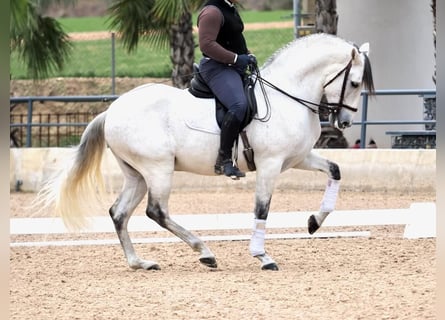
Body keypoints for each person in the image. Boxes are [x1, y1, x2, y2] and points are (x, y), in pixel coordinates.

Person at [197, 0, 257, 179]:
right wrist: (237, 58)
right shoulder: (212, 12)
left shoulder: (229, 8)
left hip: (232, 66)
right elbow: (207, 44)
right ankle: (224, 160)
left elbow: (232, 38)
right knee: (239, 104)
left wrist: (247, 54)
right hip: (217, 68)